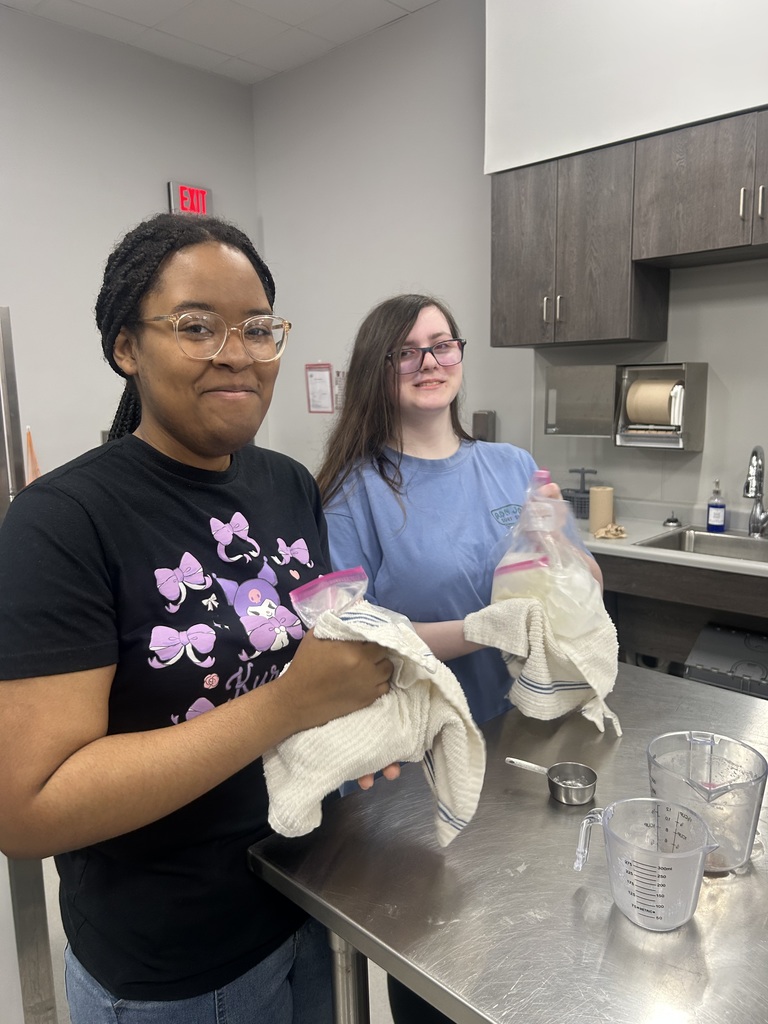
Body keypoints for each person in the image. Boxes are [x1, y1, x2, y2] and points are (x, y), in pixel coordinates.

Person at [0, 212, 395, 1024]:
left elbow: (299, 663)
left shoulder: (285, 484)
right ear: (125, 348)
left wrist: (353, 729)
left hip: (307, 900)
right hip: (177, 970)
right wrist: (290, 706)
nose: (237, 353)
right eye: (195, 327)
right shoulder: (63, 523)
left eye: (257, 328)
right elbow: (28, 808)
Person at [316, 293, 602, 1024]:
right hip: (412, 767)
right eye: (407, 352)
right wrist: (484, 626)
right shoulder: (358, 492)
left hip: (518, 743)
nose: (430, 363)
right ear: (378, 371)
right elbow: (359, 635)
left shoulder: (510, 467)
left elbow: (580, 590)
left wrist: (560, 545)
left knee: (519, 948)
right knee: (434, 961)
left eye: (443, 345)